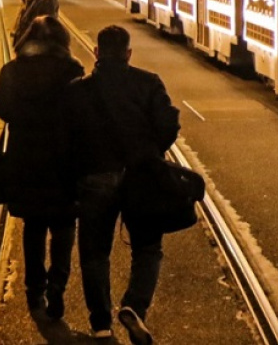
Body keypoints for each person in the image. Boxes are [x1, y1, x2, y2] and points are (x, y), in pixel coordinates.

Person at [65, 25, 180, 343]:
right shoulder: (148, 83)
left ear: (97, 52)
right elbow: (169, 123)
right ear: (128, 54)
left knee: (94, 253)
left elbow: (68, 136)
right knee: (147, 248)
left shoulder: (78, 90)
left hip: (95, 177)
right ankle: (134, 307)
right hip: (140, 177)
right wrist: (149, 151)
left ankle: (101, 325)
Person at [0, 16, 86, 320]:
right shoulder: (72, 70)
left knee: (33, 227)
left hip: (26, 159)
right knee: (63, 225)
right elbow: (80, 114)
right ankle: (57, 285)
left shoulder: (12, 69)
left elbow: (3, 111)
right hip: (64, 160)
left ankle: (34, 289)